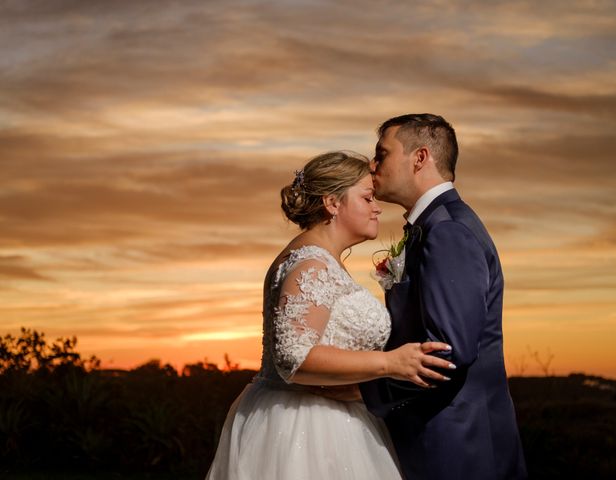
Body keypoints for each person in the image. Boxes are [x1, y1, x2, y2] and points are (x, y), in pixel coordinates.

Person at [206, 151, 454, 479]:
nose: (377, 206)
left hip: (340, 418)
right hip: (304, 428)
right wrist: (391, 363)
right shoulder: (311, 263)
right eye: (367, 198)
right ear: (332, 203)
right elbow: (294, 357)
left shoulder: (322, 259)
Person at [360, 114, 528, 479]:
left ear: (419, 158)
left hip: (457, 446)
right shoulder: (434, 225)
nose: (372, 166)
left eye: (381, 154)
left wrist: (362, 387)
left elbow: (447, 353)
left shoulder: (448, 230)